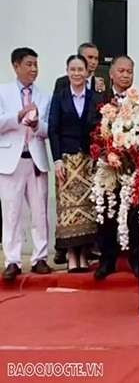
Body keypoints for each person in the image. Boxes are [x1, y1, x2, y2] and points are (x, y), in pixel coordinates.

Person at [0, 48, 51, 282]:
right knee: (12, 212)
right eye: (29, 64)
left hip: (36, 158)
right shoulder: (3, 92)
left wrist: (36, 125)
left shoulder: (44, 95)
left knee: (40, 211)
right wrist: (18, 117)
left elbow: (49, 129)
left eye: (36, 65)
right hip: (11, 159)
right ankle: (13, 260)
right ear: (16, 65)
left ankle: (40, 257)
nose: (33, 69)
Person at [48, 54, 102, 273]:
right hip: (68, 161)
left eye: (81, 69)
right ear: (67, 71)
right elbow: (53, 129)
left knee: (88, 208)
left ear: (87, 72)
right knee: (69, 211)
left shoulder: (95, 97)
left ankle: (84, 254)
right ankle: (71, 255)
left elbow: (100, 127)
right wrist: (57, 160)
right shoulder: (60, 97)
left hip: (89, 160)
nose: (77, 74)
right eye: (73, 69)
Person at [96, 54, 139, 280]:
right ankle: (107, 261)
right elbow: (93, 131)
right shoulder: (101, 99)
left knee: (133, 214)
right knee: (108, 212)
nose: (125, 75)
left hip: (131, 166)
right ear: (111, 74)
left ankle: (136, 259)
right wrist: (105, 151)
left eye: (129, 71)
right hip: (108, 166)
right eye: (121, 71)